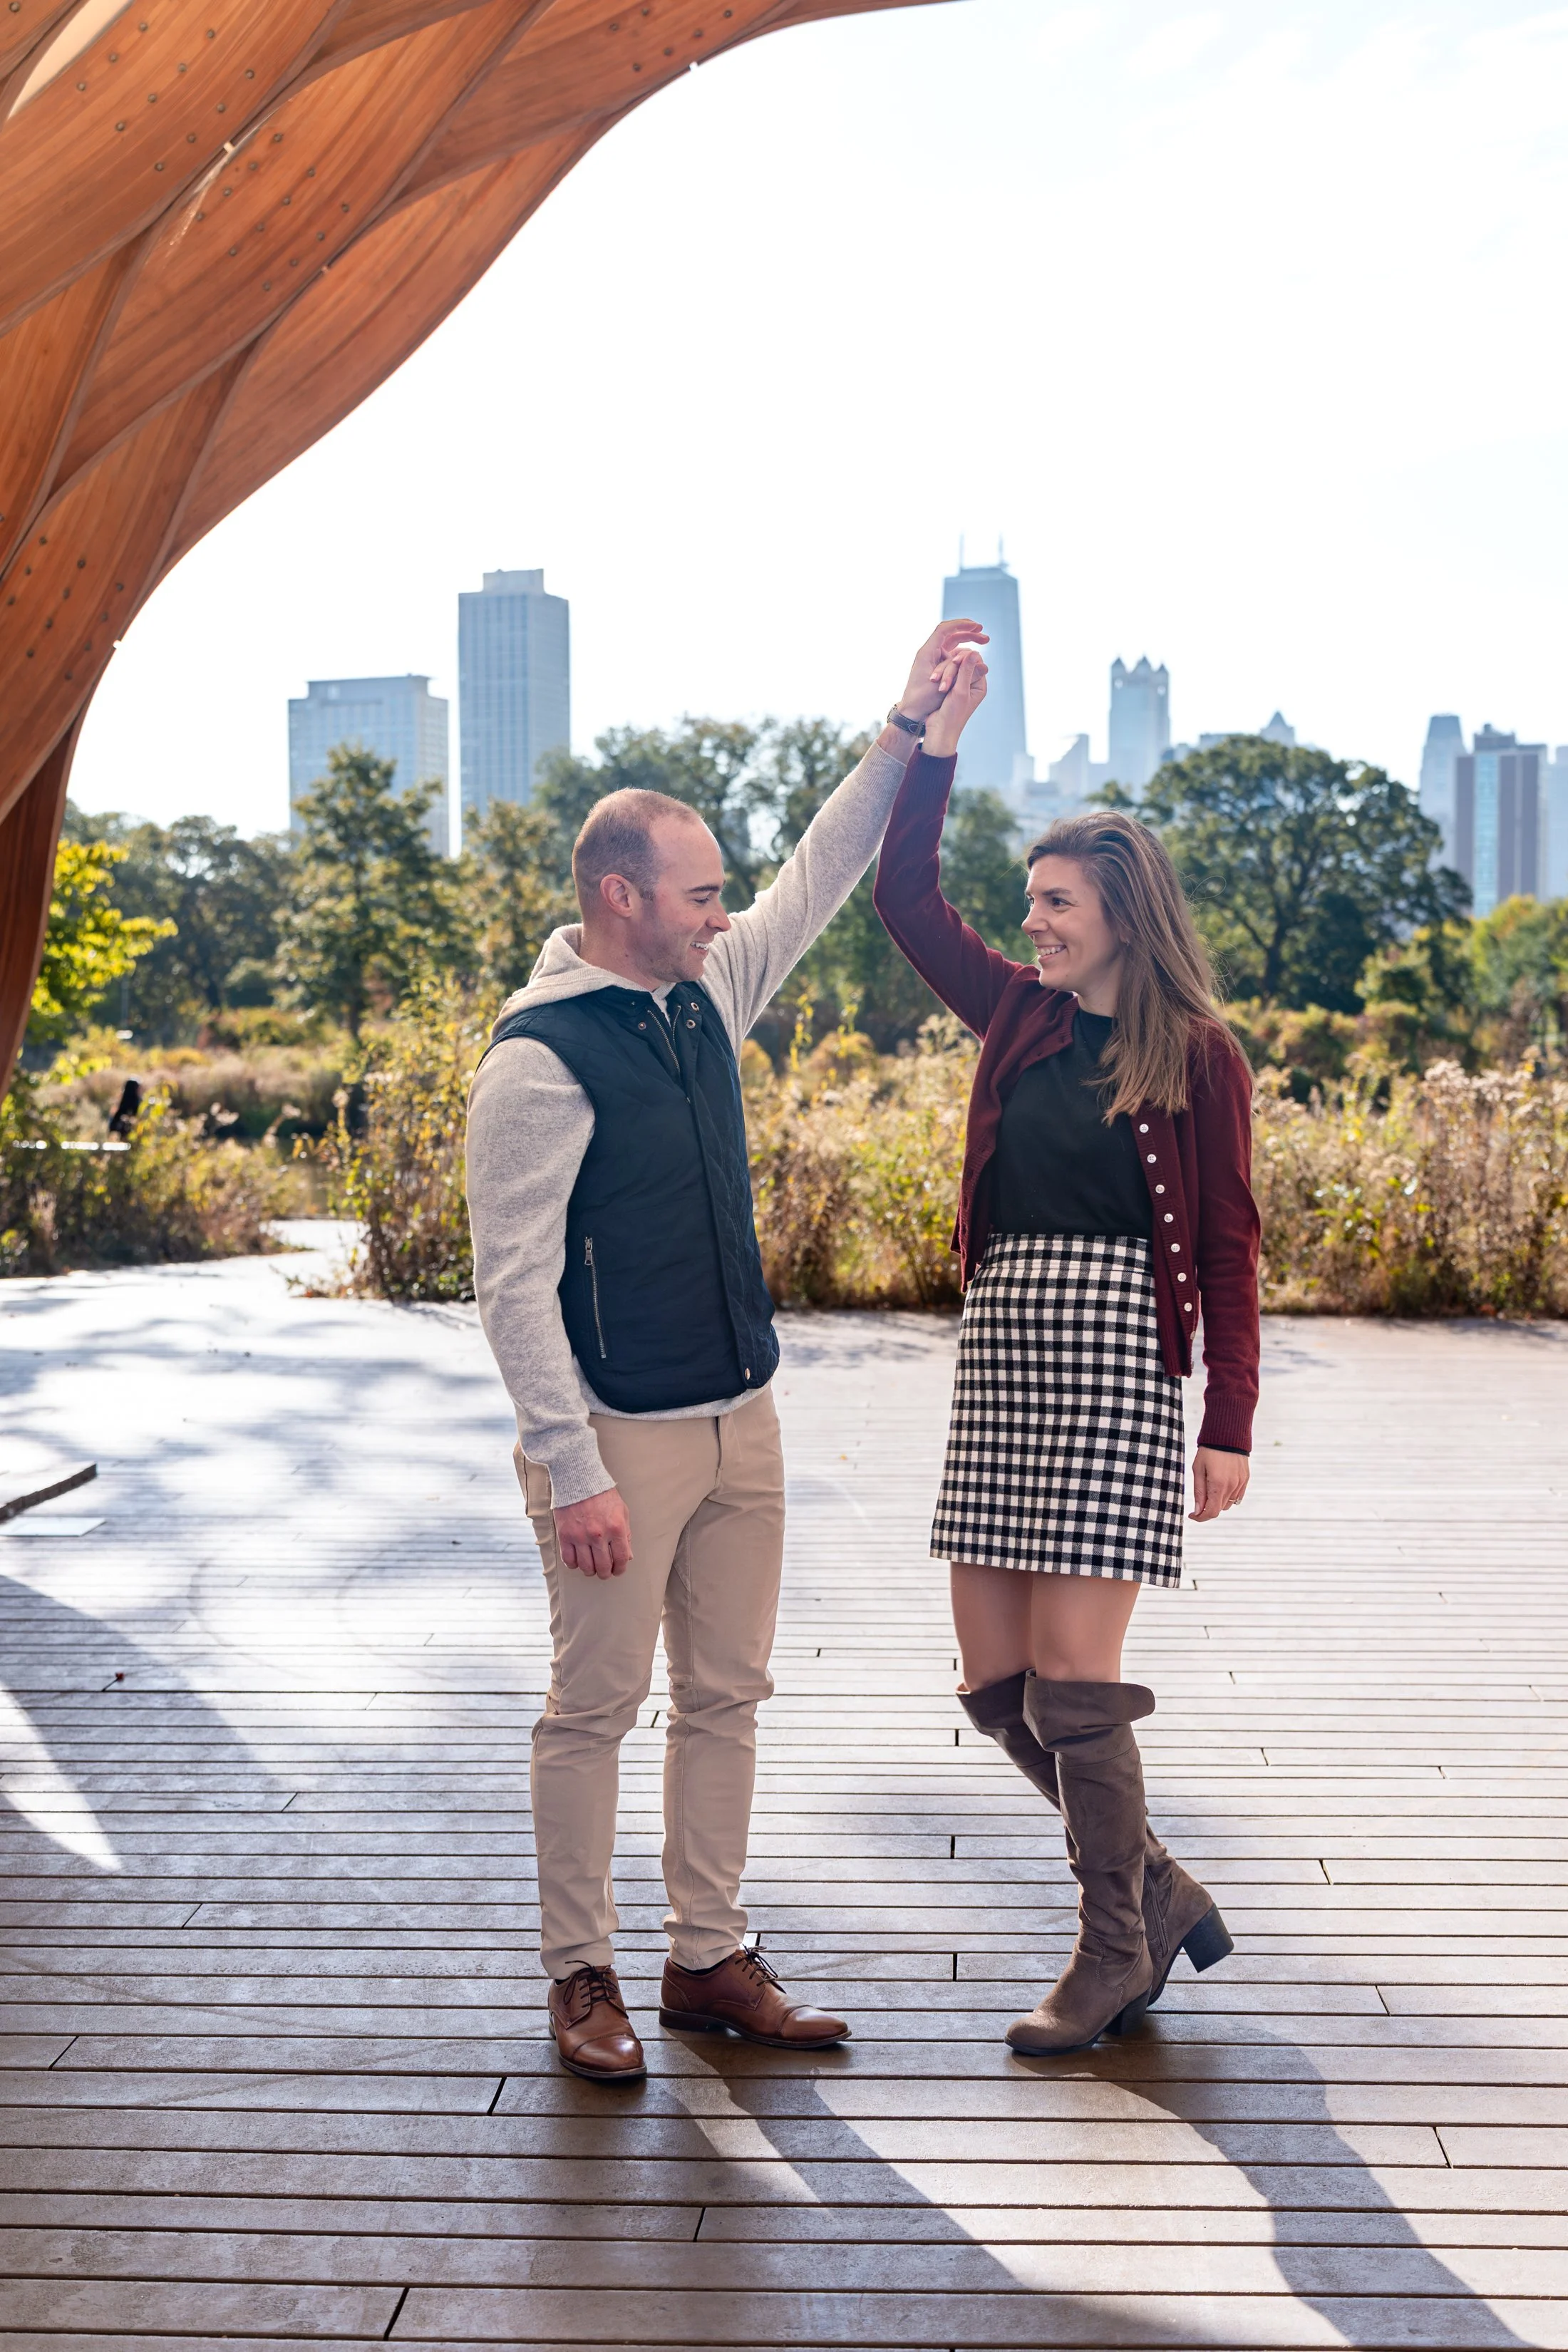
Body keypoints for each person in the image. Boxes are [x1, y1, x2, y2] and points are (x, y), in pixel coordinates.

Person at [465, 620, 986, 2082]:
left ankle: (705, 1958)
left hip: (737, 1419)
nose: (720, 915)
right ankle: (582, 1976)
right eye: (696, 896)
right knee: (592, 1710)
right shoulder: (536, 1057)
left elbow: (818, 871)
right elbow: (509, 1287)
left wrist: (902, 726)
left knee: (727, 1698)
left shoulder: (704, 992)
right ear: (620, 897)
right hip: (613, 1440)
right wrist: (569, 1470)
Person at [872, 649, 1260, 2056]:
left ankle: (1109, 1949)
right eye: (1029, 903)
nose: (1030, 923)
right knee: (993, 1684)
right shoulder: (1016, 1016)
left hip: (1110, 1368)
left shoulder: (1196, 1054)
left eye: (1053, 903)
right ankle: (1151, 1887)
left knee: (1075, 1681)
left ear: (1116, 917)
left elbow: (1226, 1247)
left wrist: (1225, 1424)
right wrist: (929, 743)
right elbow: (902, 899)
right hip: (1002, 1364)